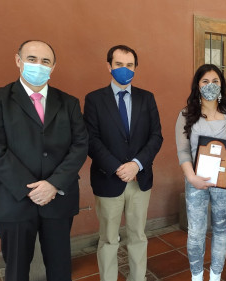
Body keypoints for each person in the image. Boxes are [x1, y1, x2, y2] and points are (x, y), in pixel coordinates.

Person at [0, 40, 88, 281]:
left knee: (60, 268)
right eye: (32, 59)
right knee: (16, 270)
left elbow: (80, 146)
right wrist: (30, 188)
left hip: (57, 198)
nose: (39, 65)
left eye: (45, 61)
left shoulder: (68, 103)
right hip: (13, 199)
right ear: (18, 61)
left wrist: (53, 184)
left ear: (53, 67)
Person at [84, 45, 163, 281]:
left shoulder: (146, 98)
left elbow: (156, 136)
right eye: (119, 64)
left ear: (135, 68)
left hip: (140, 179)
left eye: (129, 65)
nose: (124, 69)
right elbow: (91, 139)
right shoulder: (94, 99)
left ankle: (137, 278)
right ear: (109, 66)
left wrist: (136, 164)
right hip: (108, 178)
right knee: (108, 239)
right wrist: (118, 167)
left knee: (138, 235)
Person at [175, 64, 226, 281]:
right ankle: (197, 277)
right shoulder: (186, 114)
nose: (210, 85)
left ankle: (216, 276)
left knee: (220, 227)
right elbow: (182, 150)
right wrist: (191, 178)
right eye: (205, 81)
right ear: (197, 85)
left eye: (215, 81)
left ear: (222, 84)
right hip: (196, 179)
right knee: (196, 232)